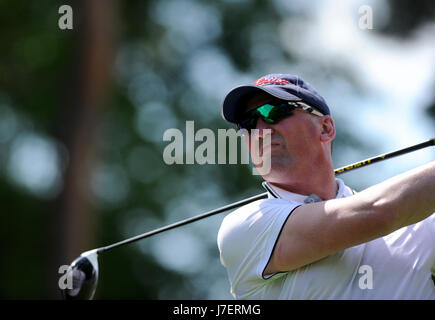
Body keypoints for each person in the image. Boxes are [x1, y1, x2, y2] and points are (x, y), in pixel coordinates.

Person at [217, 73, 435, 299]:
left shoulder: (421, 224)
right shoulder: (246, 226)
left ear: (326, 128)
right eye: (248, 123)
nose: (260, 130)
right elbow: (379, 212)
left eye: (274, 112)